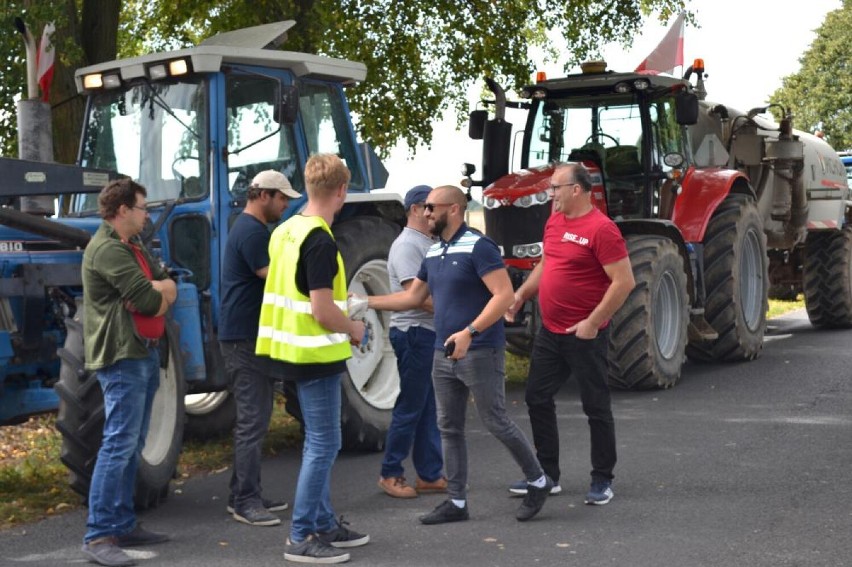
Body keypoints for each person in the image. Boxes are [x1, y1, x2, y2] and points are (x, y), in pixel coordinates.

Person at [367, 185, 552, 525]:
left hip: (480, 350)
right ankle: (456, 501)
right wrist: (364, 302)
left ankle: (538, 480)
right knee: (449, 427)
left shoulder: (479, 247)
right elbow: (411, 298)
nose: (426, 214)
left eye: (432, 208)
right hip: (442, 351)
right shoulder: (435, 251)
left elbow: (503, 295)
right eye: (424, 208)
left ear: (453, 209)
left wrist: (470, 333)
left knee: (495, 419)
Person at [256, 154, 369, 564]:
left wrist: (342, 305)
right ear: (341, 190)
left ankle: (322, 523)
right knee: (325, 444)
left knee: (318, 442)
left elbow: (299, 294)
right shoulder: (319, 239)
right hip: (314, 352)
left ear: (306, 187)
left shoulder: (285, 231)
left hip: (288, 351)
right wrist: (353, 327)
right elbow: (321, 311)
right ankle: (302, 534)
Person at [506, 163, 634, 506]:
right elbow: (547, 265)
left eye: (556, 188)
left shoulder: (602, 229)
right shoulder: (554, 221)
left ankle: (602, 478)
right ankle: (548, 475)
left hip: (584, 333)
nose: (551, 194)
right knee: (536, 397)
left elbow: (624, 282)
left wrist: (593, 322)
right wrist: (522, 295)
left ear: (576, 190)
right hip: (551, 330)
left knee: (595, 406)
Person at [81, 179, 177, 567]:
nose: (147, 214)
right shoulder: (107, 249)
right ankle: (99, 534)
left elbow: (167, 282)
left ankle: (122, 522)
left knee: (133, 441)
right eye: (142, 207)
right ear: (121, 210)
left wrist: (162, 288)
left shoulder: (133, 244)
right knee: (119, 443)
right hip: (122, 357)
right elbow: (151, 299)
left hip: (143, 352)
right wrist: (160, 290)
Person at [218, 170, 300, 526]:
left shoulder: (248, 227)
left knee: (256, 417)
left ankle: (243, 493)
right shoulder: (252, 232)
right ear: (263, 195)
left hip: (248, 336)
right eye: (282, 198)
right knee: (252, 420)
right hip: (244, 338)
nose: (285, 205)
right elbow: (276, 276)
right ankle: (246, 501)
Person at [377, 185, 446, 499]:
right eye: (430, 206)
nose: (435, 213)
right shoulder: (407, 246)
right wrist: (456, 309)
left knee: (426, 407)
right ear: (416, 209)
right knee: (411, 406)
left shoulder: (426, 242)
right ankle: (390, 473)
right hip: (414, 334)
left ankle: (430, 474)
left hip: (425, 334)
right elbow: (414, 298)